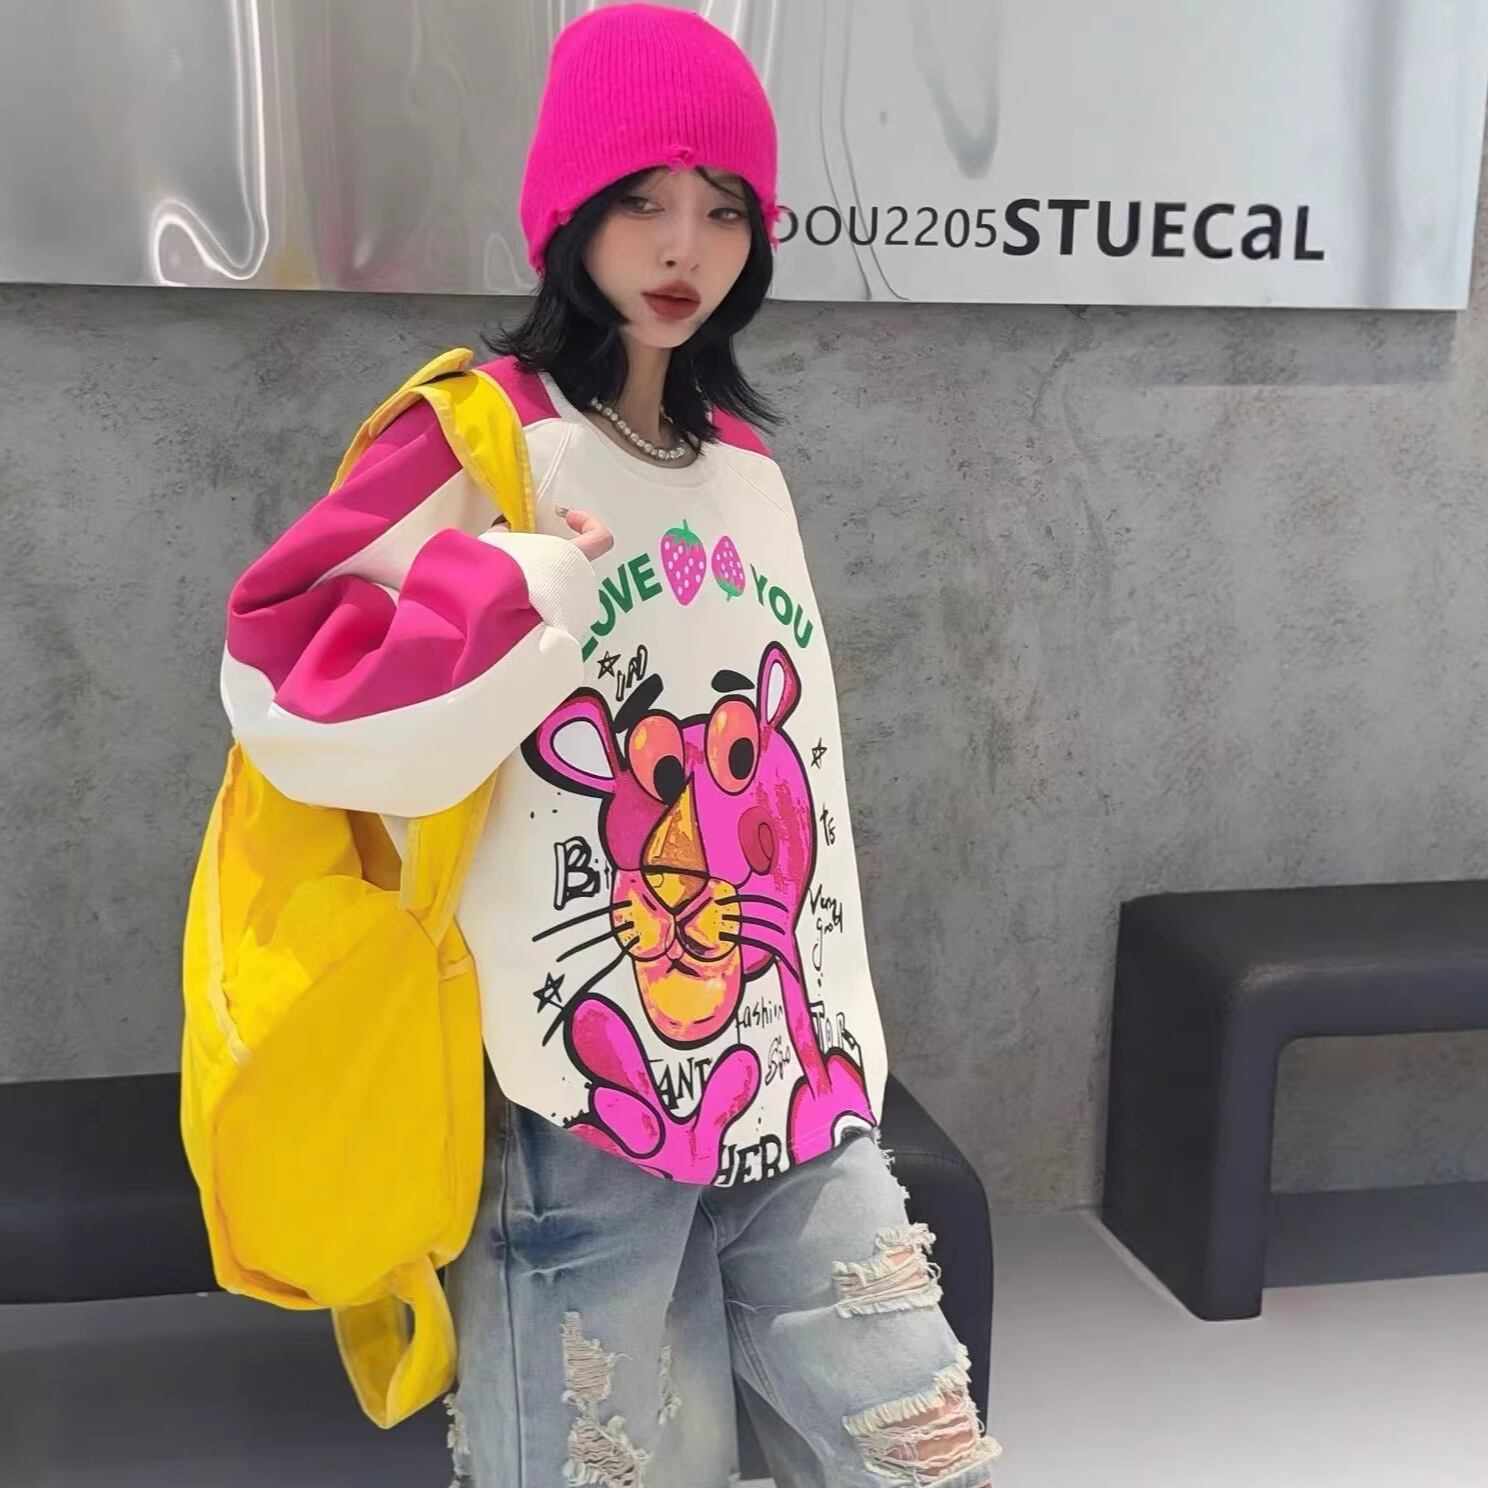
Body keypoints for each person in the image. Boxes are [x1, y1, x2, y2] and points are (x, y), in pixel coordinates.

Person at [220, 6, 1000, 1485]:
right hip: (575, 1080)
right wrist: (512, 589)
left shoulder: (744, 467)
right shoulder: (477, 435)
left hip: (792, 1063)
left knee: (920, 1447)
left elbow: (798, 768)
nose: (684, 247)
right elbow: (280, 679)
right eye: (642, 200)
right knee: (614, 1466)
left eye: (724, 209)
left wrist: (840, 1014)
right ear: (568, 211)